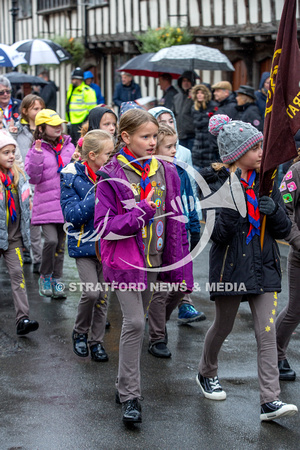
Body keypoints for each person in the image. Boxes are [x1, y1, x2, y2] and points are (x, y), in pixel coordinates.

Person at [196, 114, 298, 422]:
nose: (261, 153)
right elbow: (218, 234)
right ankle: (206, 371)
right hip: (230, 268)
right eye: (255, 148)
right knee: (223, 326)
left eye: (261, 147)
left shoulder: (267, 181)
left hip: (264, 267)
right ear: (236, 154)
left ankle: (270, 400)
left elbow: (282, 228)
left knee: (265, 333)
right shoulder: (214, 182)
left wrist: (274, 212)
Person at [94, 109, 193, 425]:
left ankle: (122, 384)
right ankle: (130, 397)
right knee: (135, 323)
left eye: (155, 137)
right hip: (125, 262)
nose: (153, 142)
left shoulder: (167, 171)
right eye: (145, 137)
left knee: (146, 317)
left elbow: (175, 220)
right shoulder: (111, 175)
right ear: (125, 137)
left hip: (156, 259)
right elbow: (104, 226)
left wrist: (178, 265)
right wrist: (141, 212)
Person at [147, 124, 201, 358]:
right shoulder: (149, 172)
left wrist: (195, 227)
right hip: (158, 236)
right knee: (159, 290)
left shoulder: (180, 170)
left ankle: (158, 319)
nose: (173, 151)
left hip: (180, 235)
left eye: (175, 146)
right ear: (154, 147)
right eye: (168, 147)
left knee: (182, 285)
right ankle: (157, 336)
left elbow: (189, 201)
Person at [61, 130, 114, 362]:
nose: (112, 159)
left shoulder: (112, 174)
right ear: (92, 155)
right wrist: (97, 195)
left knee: (103, 296)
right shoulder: (71, 177)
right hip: (84, 244)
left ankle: (97, 341)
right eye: (108, 154)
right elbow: (71, 214)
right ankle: (80, 332)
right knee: (92, 292)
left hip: (109, 244)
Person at [25, 109, 74, 299]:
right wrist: (37, 155)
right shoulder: (35, 150)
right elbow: (34, 178)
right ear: (42, 128)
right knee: (51, 241)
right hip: (45, 206)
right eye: (53, 125)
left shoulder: (69, 146)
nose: (58, 128)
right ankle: (45, 276)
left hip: (65, 204)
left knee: (61, 247)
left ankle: (57, 280)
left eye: (59, 124)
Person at [0, 132, 39, 336]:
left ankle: (22, 319)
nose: (11, 156)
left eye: (13, 152)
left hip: (13, 239)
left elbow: (26, 207)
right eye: (6, 152)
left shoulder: (19, 176)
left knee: (18, 276)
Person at [10, 94, 45, 272]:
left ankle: (38, 259)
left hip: (41, 181)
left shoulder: (45, 131)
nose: (38, 112)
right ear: (25, 111)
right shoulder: (17, 131)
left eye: (40, 108)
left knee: (37, 222)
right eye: (35, 109)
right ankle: (25, 248)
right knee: (24, 219)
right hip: (23, 180)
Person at [276, 153, 300, 381]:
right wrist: (298, 240)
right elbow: (285, 208)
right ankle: (275, 354)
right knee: (295, 310)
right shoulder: (296, 171)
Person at [191, 84, 219, 171]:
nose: (199, 95)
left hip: (209, 143)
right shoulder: (194, 108)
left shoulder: (213, 106)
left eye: (202, 93)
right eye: (197, 93)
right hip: (198, 143)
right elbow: (196, 123)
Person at [66, 67, 97, 146]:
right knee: (72, 144)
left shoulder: (87, 91)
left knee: (81, 144)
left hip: (81, 122)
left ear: (78, 79)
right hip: (72, 122)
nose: (72, 81)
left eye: (73, 79)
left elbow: (92, 109)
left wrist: (86, 122)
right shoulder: (71, 89)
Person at [172, 70, 198, 151]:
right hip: (180, 134)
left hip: (192, 135)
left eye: (188, 81)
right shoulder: (176, 97)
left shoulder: (196, 97)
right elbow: (173, 113)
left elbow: (198, 112)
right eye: (184, 81)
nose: (186, 83)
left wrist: (194, 98)